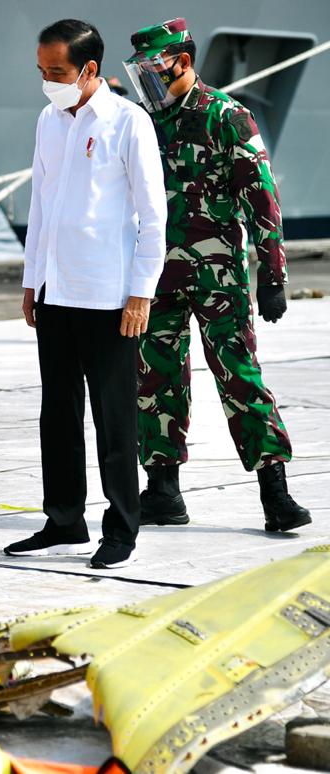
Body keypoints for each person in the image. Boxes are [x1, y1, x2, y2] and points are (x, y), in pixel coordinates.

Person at [125, 19, 310, 532]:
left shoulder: (227, 115)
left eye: (154, 68)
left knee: (239, 378)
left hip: (218, 275)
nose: (148, 79)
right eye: (141, 70)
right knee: (155, 377)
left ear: (182, 62)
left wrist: (271, 274)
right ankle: (162, 488)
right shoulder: (142, 121)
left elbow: (261, 196)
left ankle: (275, 490)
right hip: (155, 274)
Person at [4, 19, 167, 569]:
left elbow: (152, 215)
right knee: (58, 412)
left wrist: (141, 293)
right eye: (42, 71)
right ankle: (64, 519)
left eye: (57, 72)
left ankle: (121, 527)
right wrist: (32, 280)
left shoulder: (128, 123)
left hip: (109, 296)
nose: (47, 82)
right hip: (56, 291)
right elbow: (42, 208)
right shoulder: (49, 121)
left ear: (89, 70)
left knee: (115, 417)